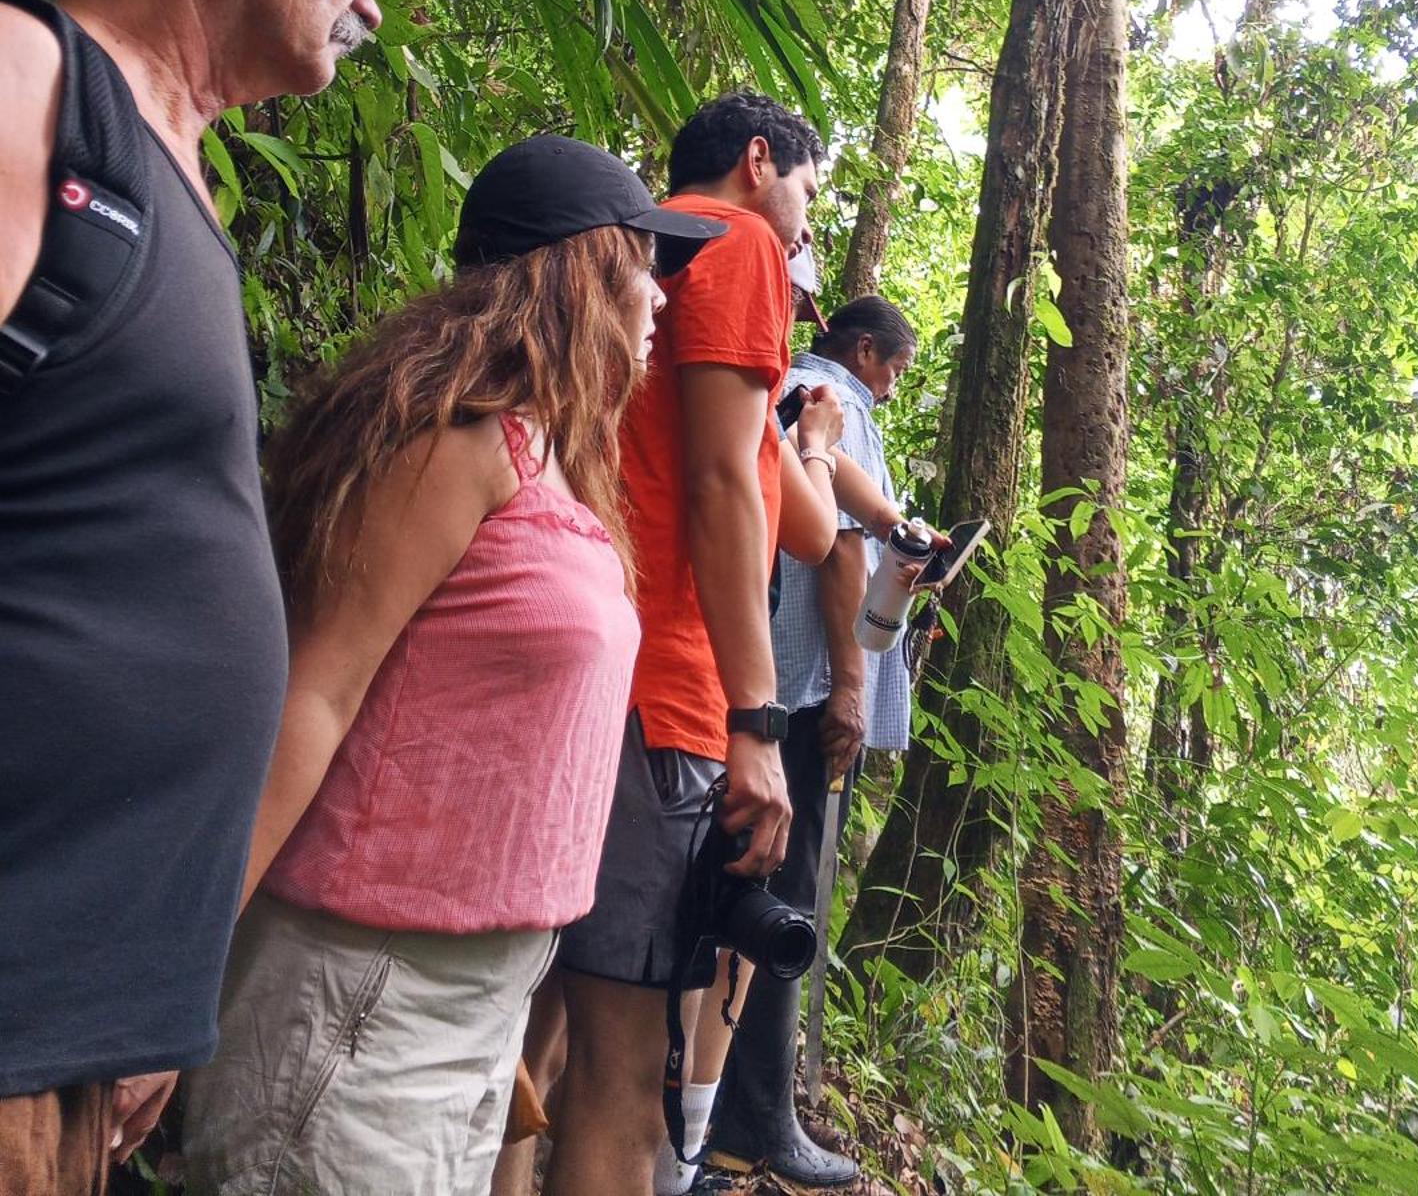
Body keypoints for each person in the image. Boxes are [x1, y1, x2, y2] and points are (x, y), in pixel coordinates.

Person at [0, 0, 476, 1195]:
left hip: (66, 1028)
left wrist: (146, 984)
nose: (373, 4)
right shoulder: (31, 88)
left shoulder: (171, 165)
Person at [179, 135, 725, 1196]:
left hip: (474, 1003)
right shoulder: (451, 440)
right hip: (364, 994)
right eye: (640, 261)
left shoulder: (553, 457)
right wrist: (181, 968)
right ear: (573, 267)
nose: (660, 295)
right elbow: (318, 690)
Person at [542, 91, 846, 1196]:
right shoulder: (738, 242)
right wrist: (756, 721)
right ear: (759, 161)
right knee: (619, 1073)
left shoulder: (641, 256)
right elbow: (723, 488)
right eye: (810, 188)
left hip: (585, 669)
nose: (810, 223)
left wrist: (803, 439)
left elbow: (792, 515)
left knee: (535, 1044)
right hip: (662, 689)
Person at [708, 295, 919, 1187]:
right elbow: (836, 548)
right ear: (865, 351)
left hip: (754, 690)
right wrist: (851, 686)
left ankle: (714, 1117)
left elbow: (868, 539)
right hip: (794, 699)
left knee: (740, 895)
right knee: (783, 902)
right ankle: (759, 1124)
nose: (893, 389)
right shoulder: (833, 406)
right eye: (896, 370)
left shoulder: (781, 391)